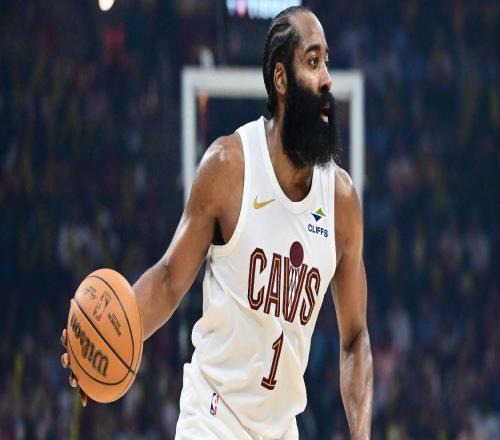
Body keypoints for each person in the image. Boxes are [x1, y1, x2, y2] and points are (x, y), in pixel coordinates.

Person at [61, 6, 373, 439]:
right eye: (313, 61)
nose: (327, 79)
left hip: (280, 430)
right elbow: (169, 279)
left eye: (327, 63)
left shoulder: (341, 201)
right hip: (212, 416)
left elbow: (355, 338)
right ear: (281, 79)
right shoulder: (229, 166)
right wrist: (103, 338)